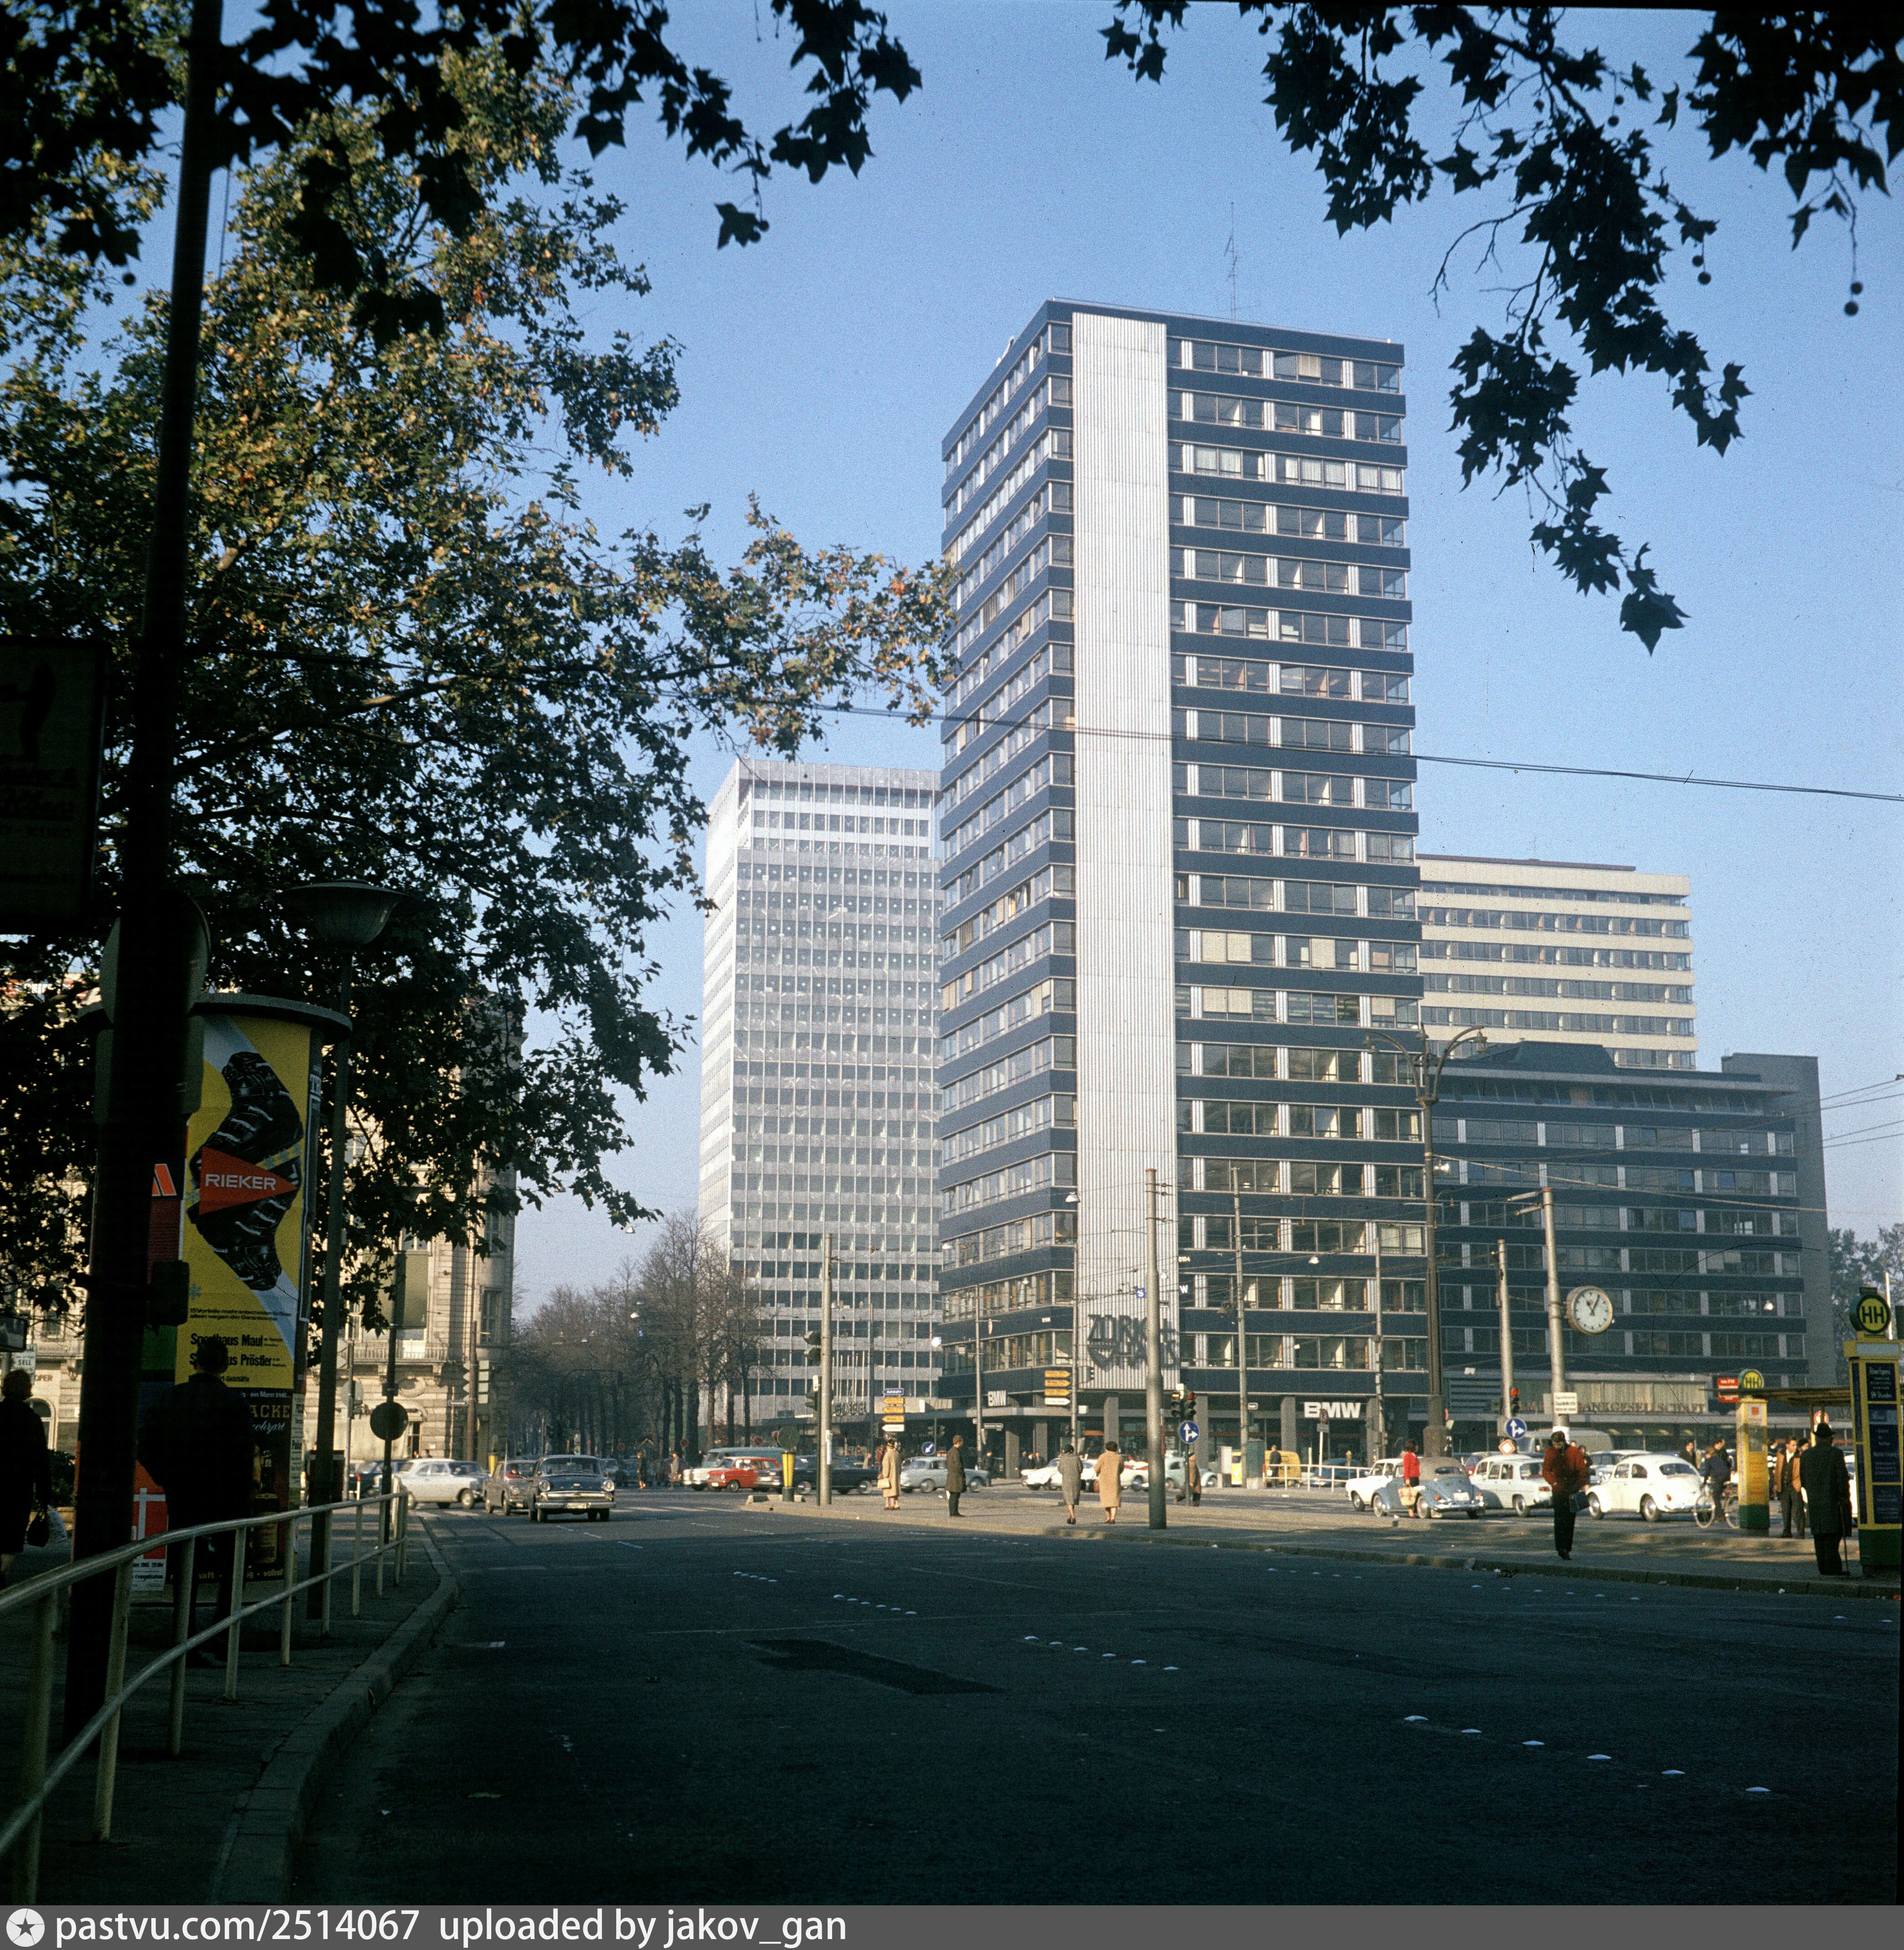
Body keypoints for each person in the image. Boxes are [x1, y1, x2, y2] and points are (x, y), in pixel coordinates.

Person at [139, 1336, 257, 1653]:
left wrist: (167, 1477)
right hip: (226, 1497)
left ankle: (184, 1633)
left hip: (184, 1493)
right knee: (234, 1562)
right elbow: (244, 1457)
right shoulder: (235, 1403)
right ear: (225, 1366)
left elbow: (146, 1445)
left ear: (195, 1363)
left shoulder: (172, 1399)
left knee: (186, 1564)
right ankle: (223, 1630)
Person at [0, 1368, 53, 1588]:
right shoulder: (32, 1420)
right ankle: (1, 1573)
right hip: (18, 1489)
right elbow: (40, 1459)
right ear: (26, 1390)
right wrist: (44, 1494)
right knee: (12, 1540)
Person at [1798, 1421, 1854, 1576]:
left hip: (1815, 1503)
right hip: (1833, 1502)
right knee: (1833, 1536)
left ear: (1817, 1438)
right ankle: (1833, 1568)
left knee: (1819, 1537)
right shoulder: (1835, 1454)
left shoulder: (1806, 1455)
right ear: (1830, 1438)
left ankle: (1823, 1567)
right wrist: (1844, 1498)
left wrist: (1813, 1493)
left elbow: (1803, 1480)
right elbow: (1842, 1479)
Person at [1541, 1426, 1590, 1561]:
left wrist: (1579, 1485)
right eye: (1555, 1445)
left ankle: (1567, 1548)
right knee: (1559, 1520)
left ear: (1564, 1442)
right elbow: (1546, 1471)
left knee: (1570, 1521)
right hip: (1558, 1491)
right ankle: (1560, 1548)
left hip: (1571, 1491)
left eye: (1559, 1445)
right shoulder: (1550, 1453)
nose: (1557, 1447)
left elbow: (1582, 1470)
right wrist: (1554, 1483)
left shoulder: (1574, 1452)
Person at [1700, 1439, 1733, 1526]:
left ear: (1708, 1454)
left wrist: (1704, 1483)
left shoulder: (1709, 1461)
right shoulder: (1717, 1458)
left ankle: (1721, 1516)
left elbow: (1707, 1472)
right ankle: (1726, 1502)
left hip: (1720, 1477)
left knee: (1715, 1496)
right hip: (1727, 1476)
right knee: (1719, 1491)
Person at [1784, 1439, 1809, 1539]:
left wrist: (1800, 1484)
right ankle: (1787, 1532)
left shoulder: (1800, 1456)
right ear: (1787, 1445)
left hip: (1795, 1486)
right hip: (1784, 1487)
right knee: (1786, 1510)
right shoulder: (1781, 1455)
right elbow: (1779, 1469)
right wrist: (1776, 1484)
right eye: (1793, 1445)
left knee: (1797, 1510)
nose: (1795, 1447)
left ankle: (1801, 1533)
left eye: (1796, 1445)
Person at [1055, 1441, 1083, 1526]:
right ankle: (1069, 1518)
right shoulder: (1077, 1458)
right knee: (1073, 1499)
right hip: (1076, 1480)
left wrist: (1066, 1473)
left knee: (1069, 1500)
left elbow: (1060, 1469)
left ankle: (1073, 1517)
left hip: (1067, 1480)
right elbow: (1081, 1469)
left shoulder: (1063, 1458)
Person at [1095, 1440, 1123, 1523]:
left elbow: (1097, 1468)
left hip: (1104, 1481)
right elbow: (1122, 1469)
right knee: (1114, 1500)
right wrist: (1117, 1474)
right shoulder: (1119, 1458)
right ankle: (1113, 1518)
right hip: (1115, 1481)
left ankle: (1108, 1517)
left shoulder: (1103, 1457)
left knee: (1106, 1500)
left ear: (1107, 1448)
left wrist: (1099, 1472)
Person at [943, 1434, 967, 1517]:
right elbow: (958, 1465)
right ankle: (954, 1513)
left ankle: (953, 1512)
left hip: (951, 1476)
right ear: (959, 1442)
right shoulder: (956, 1452)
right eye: (962, 1441)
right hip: (956, 1477)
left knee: (953, 1495)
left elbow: (947, 1464)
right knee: (955, 1495)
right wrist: (962, 1474)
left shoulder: (951, 1451)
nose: (962, 1443)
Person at [878, 1438, 901, 1511]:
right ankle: (896, 1505)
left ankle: (887, 1505)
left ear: (888, 1447)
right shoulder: (897, 1455)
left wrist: (885, 1475)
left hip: (889, 1476)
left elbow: (886, 1466)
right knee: (895, 1491)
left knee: (887, 1490)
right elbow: (900, 1467)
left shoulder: (888, 1455)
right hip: (896, 1476)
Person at [1400, 1441, 1421, 1518]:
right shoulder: (1408, 1456)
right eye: (1416, 1446)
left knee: (1415, 1494)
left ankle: (1415, 1510)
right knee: (1410, 1494)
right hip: (1411, 1478)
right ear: (1413, 1447)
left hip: (1416, 1477)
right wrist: (1407, 1479)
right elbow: (1406, 1468)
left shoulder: (1414, 1455)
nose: (1418, 1447)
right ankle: (1411, 1511)